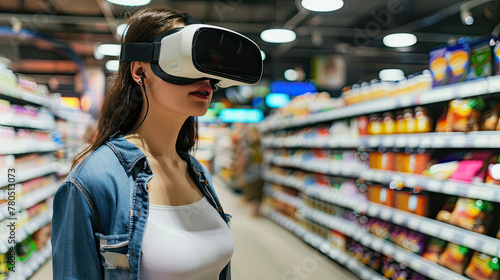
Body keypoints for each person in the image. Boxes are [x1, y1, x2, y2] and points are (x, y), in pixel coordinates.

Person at [50, 8, 243, 280]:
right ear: (140, 70)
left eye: (205, 62)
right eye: (184, 59)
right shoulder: (93, 181)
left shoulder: (198, 173)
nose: (204, 77)